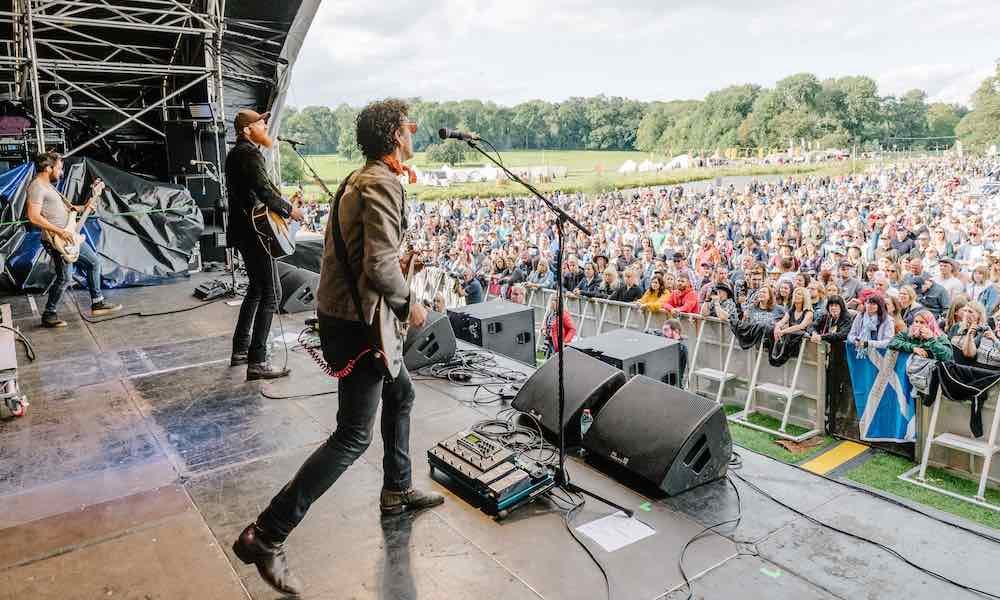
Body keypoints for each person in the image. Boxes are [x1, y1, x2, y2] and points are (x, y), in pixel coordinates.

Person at [232, 100, 442, 596]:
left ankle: (396, 489)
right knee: (351, 436)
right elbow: (378, 269)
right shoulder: (382, 183)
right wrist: (410, 303)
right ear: (395, 134)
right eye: (409, 127)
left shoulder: (359, 177)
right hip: (360, 326)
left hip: (346, 316)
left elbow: (368, 254)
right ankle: (266, 534)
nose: (413, 134)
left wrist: (396, 266)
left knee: (402, 394)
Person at [225, 108, 305, 379]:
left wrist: (283, 202)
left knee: (257, 290)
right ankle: (257, 361)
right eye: (261, 123)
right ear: (247, 129)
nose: (265, 125)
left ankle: (241, 350)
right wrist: (288, 209)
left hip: (245, 231)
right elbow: (262, 190)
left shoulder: (239, 153)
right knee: (273, 293)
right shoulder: (248, 153)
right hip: (254, 233)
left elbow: (259, 190)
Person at [25, 151, 122, 327]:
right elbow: (33, 216)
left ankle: (97, 302)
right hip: (58, 239)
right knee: (65, 278)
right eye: (59, 168)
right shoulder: (37, 187)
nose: (61, 173)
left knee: (93, 262)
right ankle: (49, 314)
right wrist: (60, 232)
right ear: (48, 168)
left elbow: (68, 210)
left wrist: (85, 206)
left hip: (69, 236)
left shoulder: (49, 187)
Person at [888, 311, 954, 361]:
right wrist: (913, 348)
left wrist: (931, 339)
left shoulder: (940, 336)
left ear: (930, 324)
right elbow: (892, 342)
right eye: (916, 321)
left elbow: (946, 356)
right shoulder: (908, 332)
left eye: (922, 322)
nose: (917, 325)